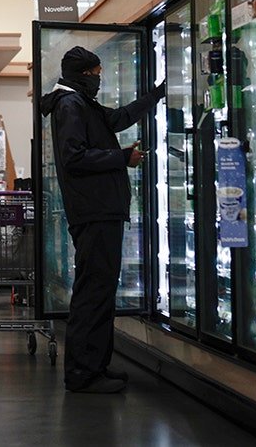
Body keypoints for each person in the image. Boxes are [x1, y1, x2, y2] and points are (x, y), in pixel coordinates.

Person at [39, 46, 166, 393]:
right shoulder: (70, 105)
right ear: (82, 74)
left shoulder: (80, 102)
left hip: (100, 210)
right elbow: (74, 157)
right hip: (93, 211)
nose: (100, 79)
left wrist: (157, 95)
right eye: (95, 73)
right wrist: (121, 157)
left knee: (100, 290)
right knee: (93, 292)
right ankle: (82, 373)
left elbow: (117, 119)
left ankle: (96, 366)